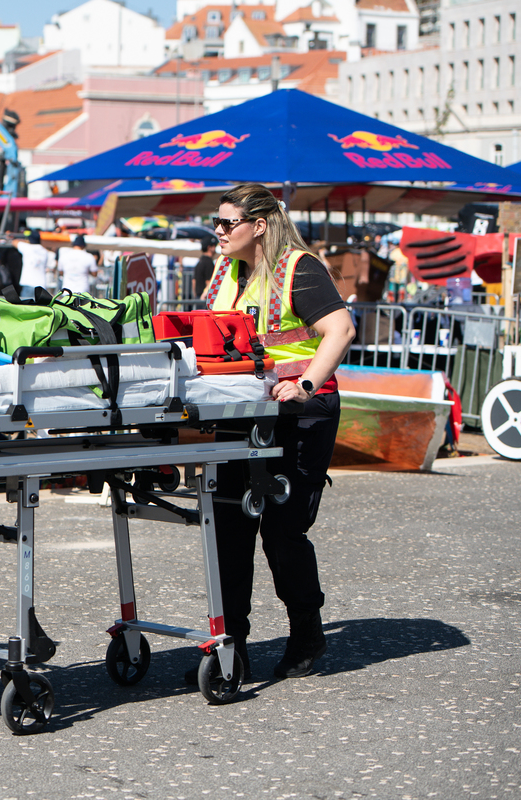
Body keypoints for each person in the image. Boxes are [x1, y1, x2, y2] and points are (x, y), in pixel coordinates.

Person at [197, 183, 355, 681]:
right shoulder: (225, 271)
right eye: (216, 223)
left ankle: (306, 631)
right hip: (241, 412)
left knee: (283, 530)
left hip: (299, 414)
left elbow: (341, 329)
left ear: (259, 225)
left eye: (227, 223)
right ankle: (232, 647)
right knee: (228, 526)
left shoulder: (298, 269)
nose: (218, 232)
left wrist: (306, 384)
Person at [15, 229, 51, 300]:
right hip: (41, 285)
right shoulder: (44, 252)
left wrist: (25, 241)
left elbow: (14, 242)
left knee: (25, 307)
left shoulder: (27, 247)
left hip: (29, 283)